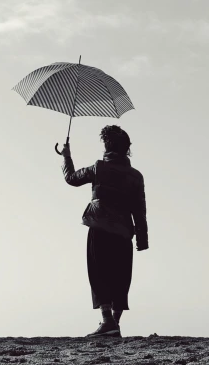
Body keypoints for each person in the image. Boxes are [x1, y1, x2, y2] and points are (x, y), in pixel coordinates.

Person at [60, 125, 148, 338]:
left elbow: (71, 178)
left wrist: (66, 156)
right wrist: (142, 239)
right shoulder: (136, 176)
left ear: (106, 146)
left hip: (99, 227)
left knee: (99, 274)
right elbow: (140, 209)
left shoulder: (98, 168)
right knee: (120, 276)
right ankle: (113, 323)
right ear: (127, 149)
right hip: (124, 232)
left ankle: (108, 322)